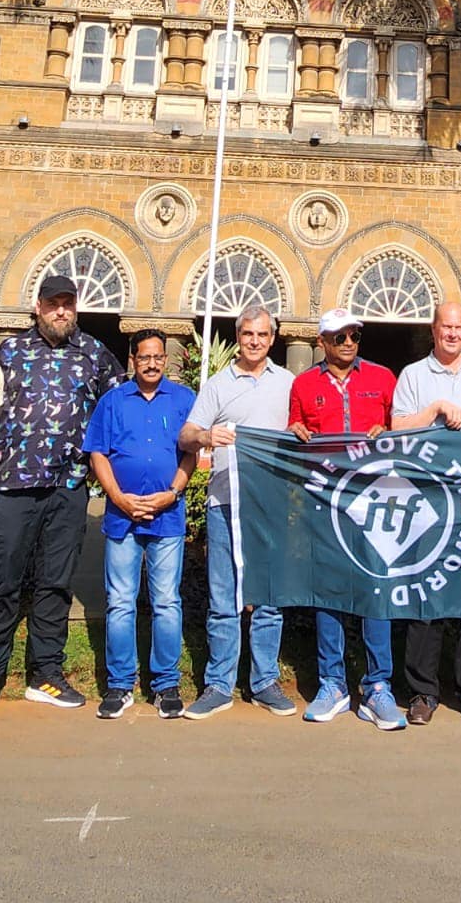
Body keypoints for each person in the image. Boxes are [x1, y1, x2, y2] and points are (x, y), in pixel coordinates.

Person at [0, 275, 125, 717]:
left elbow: (120, 404)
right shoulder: (9, 353)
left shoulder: (94, 354)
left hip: (68, 488)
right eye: (54, 304)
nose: (61, 312)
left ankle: (45, 674)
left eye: (68, 304)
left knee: (55, 584)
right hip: (13, 487)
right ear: (37, 307)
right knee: (2, 582)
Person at [288, 306, 405, 730]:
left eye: (355, 334)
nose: (350, 343)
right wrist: (297, 431)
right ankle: (333, 684)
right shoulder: (302, 384)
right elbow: (295, 432)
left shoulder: (383, 378)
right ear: (321, 342)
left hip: (376, 498)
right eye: (339, 337)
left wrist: (390, 434)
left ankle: (377, 688)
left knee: (376, 591)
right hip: (327, 501)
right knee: (330, 594)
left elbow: (403, 432)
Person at [178, 305, 294, 721]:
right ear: (238, 335)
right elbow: (187, 434)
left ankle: (264, 681)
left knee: (268, 597)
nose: (255, 341)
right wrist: (207, 434)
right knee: (223, 596)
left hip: (271, 504)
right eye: (248, 334)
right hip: (225, 502)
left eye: (263, 335)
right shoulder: (217, 384)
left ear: (273, 338)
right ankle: (219, 683)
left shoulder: (289, 383)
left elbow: (302, 434)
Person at [392, 300, 461, 726]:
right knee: (427, 595)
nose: (453, 334)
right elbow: (397, 428)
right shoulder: (414, 375)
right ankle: (423, 691)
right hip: (428, 502)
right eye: (446, 327)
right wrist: (435, 410)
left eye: (459, 328)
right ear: (434, 330)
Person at [83, 329, 196, 721]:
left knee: (166, 602)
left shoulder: (183, 400)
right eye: (144, 357)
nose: (151, 363)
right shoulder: (112, 402)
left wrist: (173, 493)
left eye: (158, 357)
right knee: (120, 603)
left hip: (167, 516)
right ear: (132, 359)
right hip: (121, 516)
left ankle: (165, 684)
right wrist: (117, 497)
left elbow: (190, 454)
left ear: (166, 359)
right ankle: (120, 684)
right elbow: (98, 453)